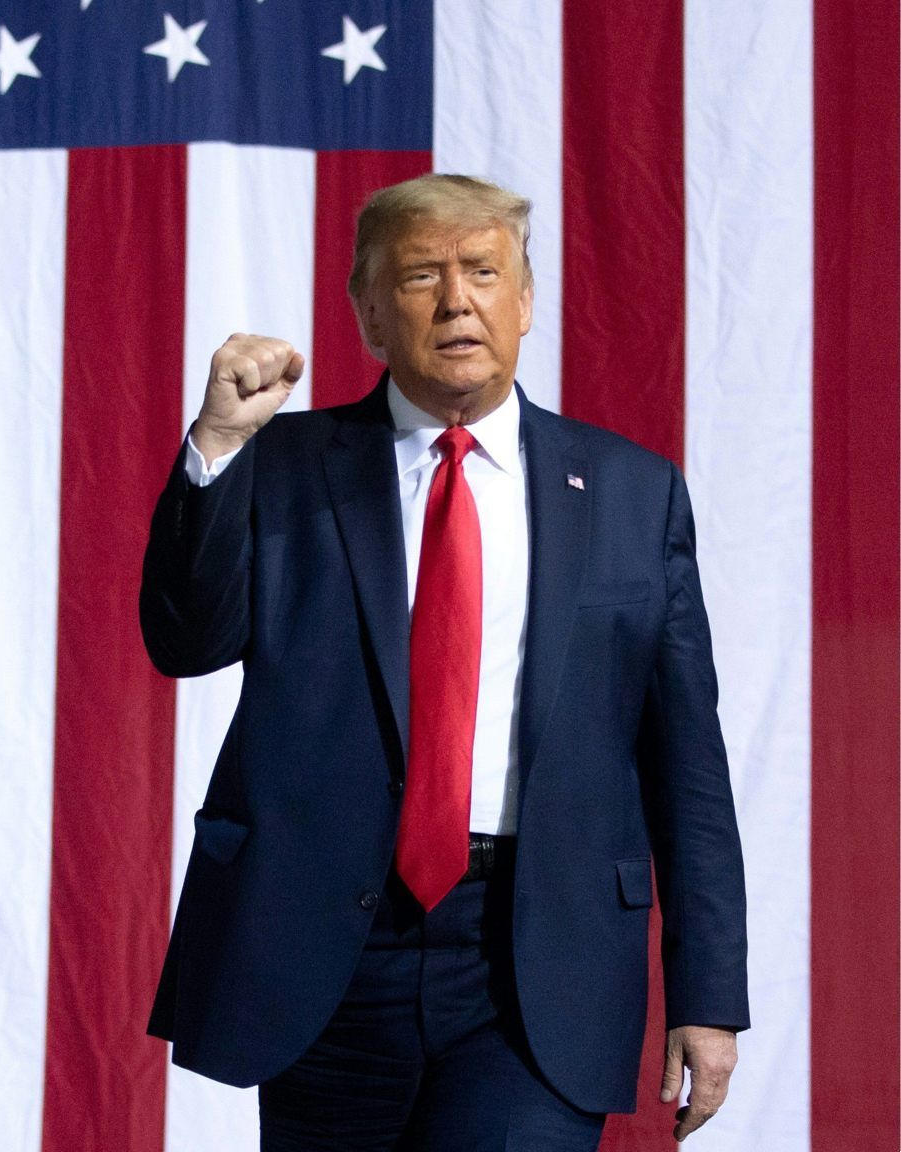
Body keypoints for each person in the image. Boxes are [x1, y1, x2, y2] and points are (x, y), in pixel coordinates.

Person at [140, 173, 748, 1150]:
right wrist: (214, 446)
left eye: (480, 271)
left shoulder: (633, 494)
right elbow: (185, 639)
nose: (455, 299)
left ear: (524, 299)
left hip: (534, 956)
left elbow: (685, 764)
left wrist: (708, 992)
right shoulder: (284, 465)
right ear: (369, 312)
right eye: (419, 274)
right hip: (323, 951)